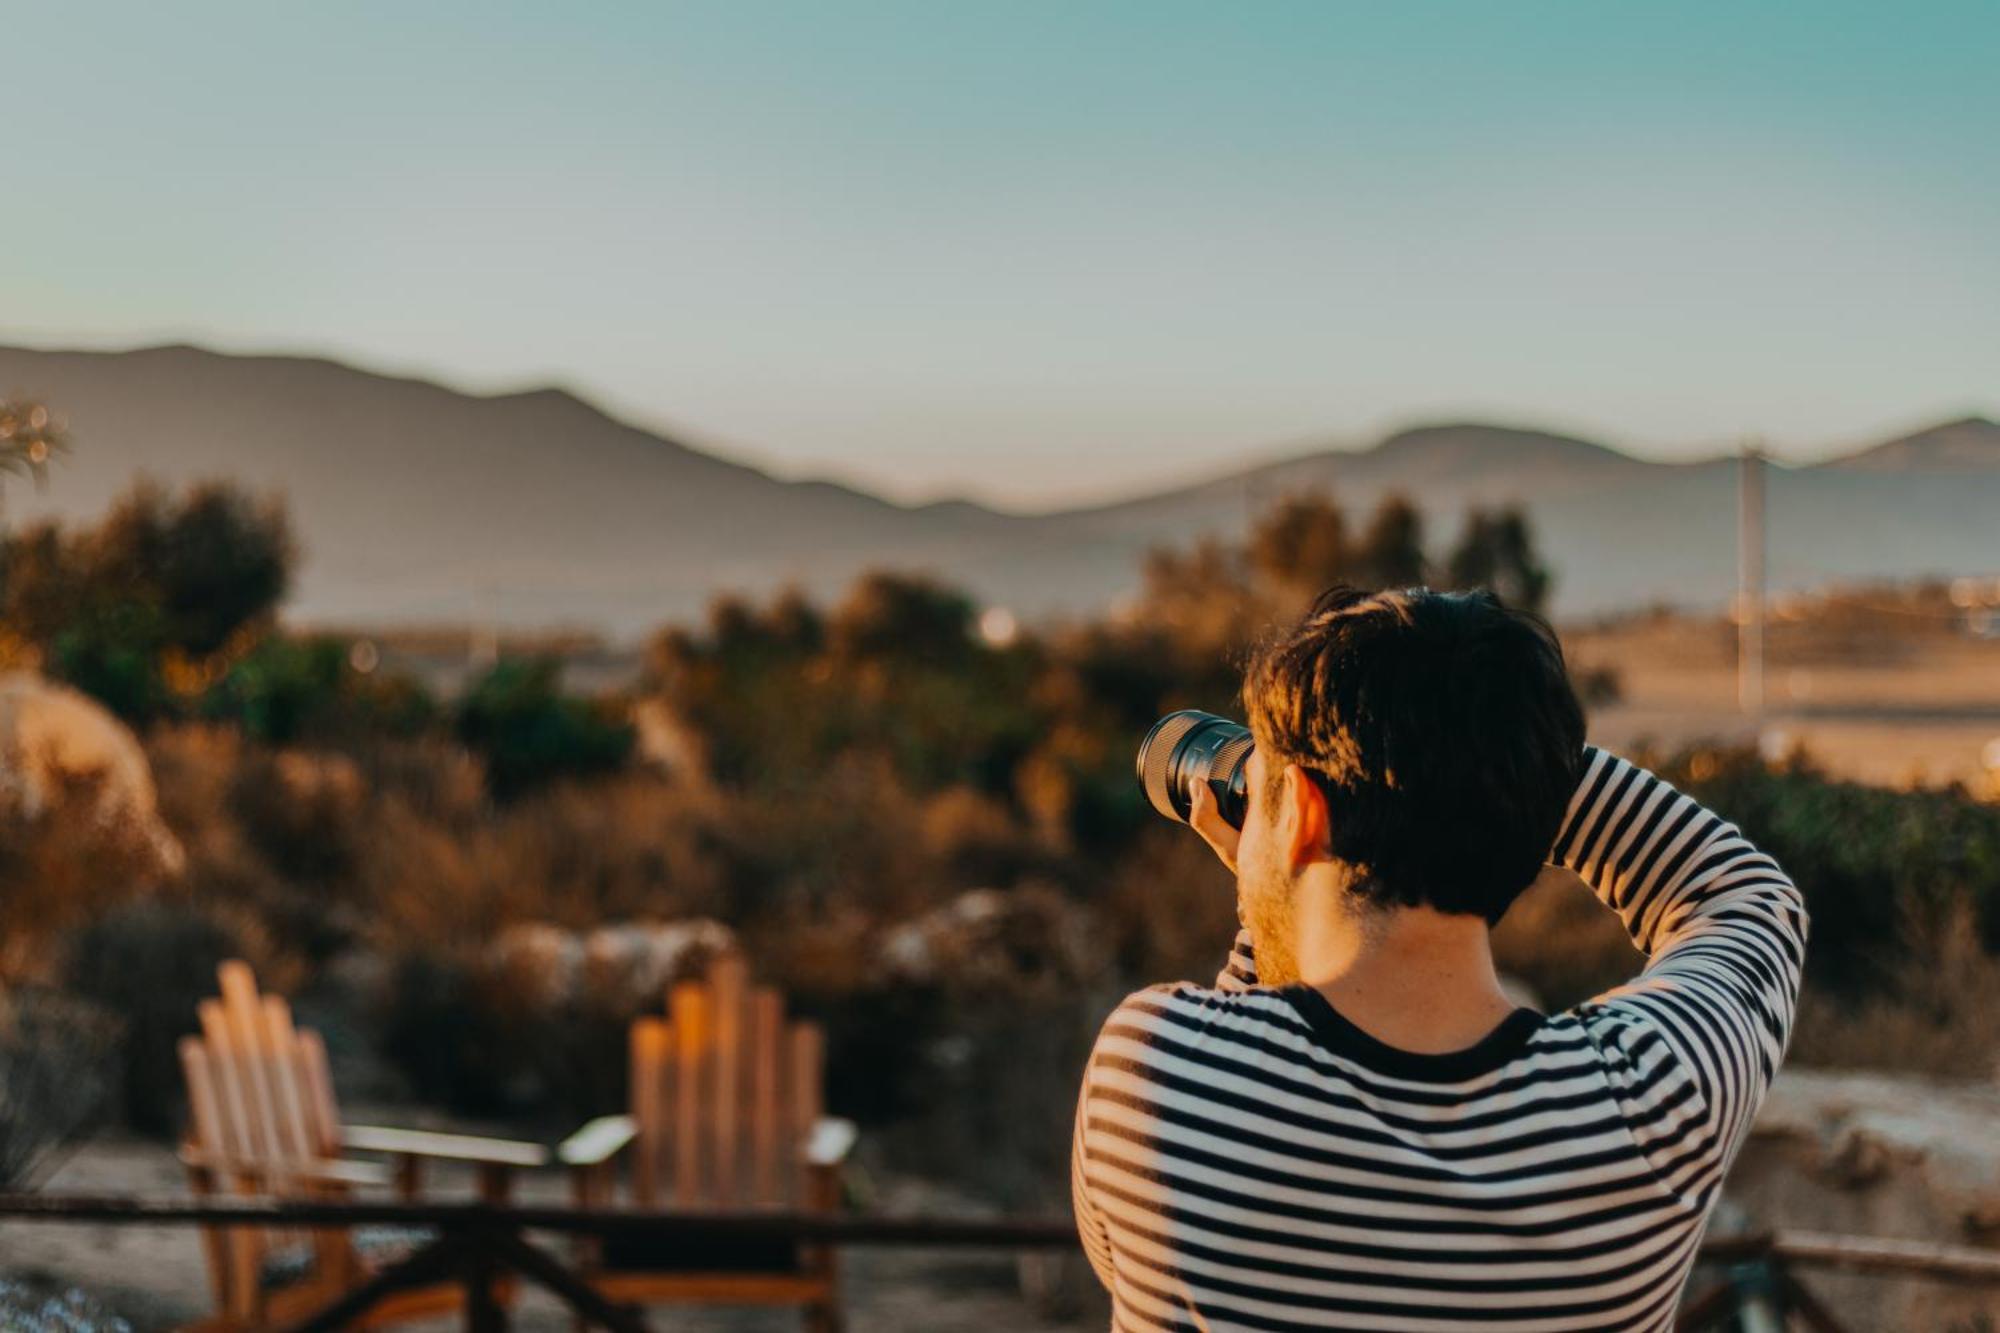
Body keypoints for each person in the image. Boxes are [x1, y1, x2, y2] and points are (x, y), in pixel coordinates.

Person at [1072, 586, 1808, 1331]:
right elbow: (1744, 893)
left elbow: (1233, 1073)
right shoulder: (1651, 1105)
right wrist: (1498, 761)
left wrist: (1269, 897)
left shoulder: (1155, 1078)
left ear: (1299, 812)